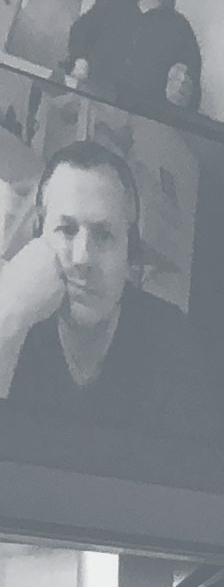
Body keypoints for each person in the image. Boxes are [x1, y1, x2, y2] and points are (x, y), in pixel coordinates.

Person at [0, 141, 210, 433]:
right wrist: (10, 319)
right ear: (39, 237)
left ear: (129, 251)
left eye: (104, 235)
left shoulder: (171, 338)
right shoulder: (15, 317)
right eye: (66, 230)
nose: (83, 258)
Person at [63, 0, 202, 115]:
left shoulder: (181, 28)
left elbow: (192, 87)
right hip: (89, 98)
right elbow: (80, 30)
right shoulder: (110, 2)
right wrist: (79, 59)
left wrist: (182, 94)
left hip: (143, 118)